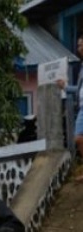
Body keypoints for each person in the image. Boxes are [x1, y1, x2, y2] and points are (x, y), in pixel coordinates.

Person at [57, 35, 83, 181]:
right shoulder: (81, 67)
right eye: (78, 45)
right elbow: (79, 88)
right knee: (78, 139)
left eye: (81, 45)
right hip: (81, 108)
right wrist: (65, 87)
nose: (79, 48)